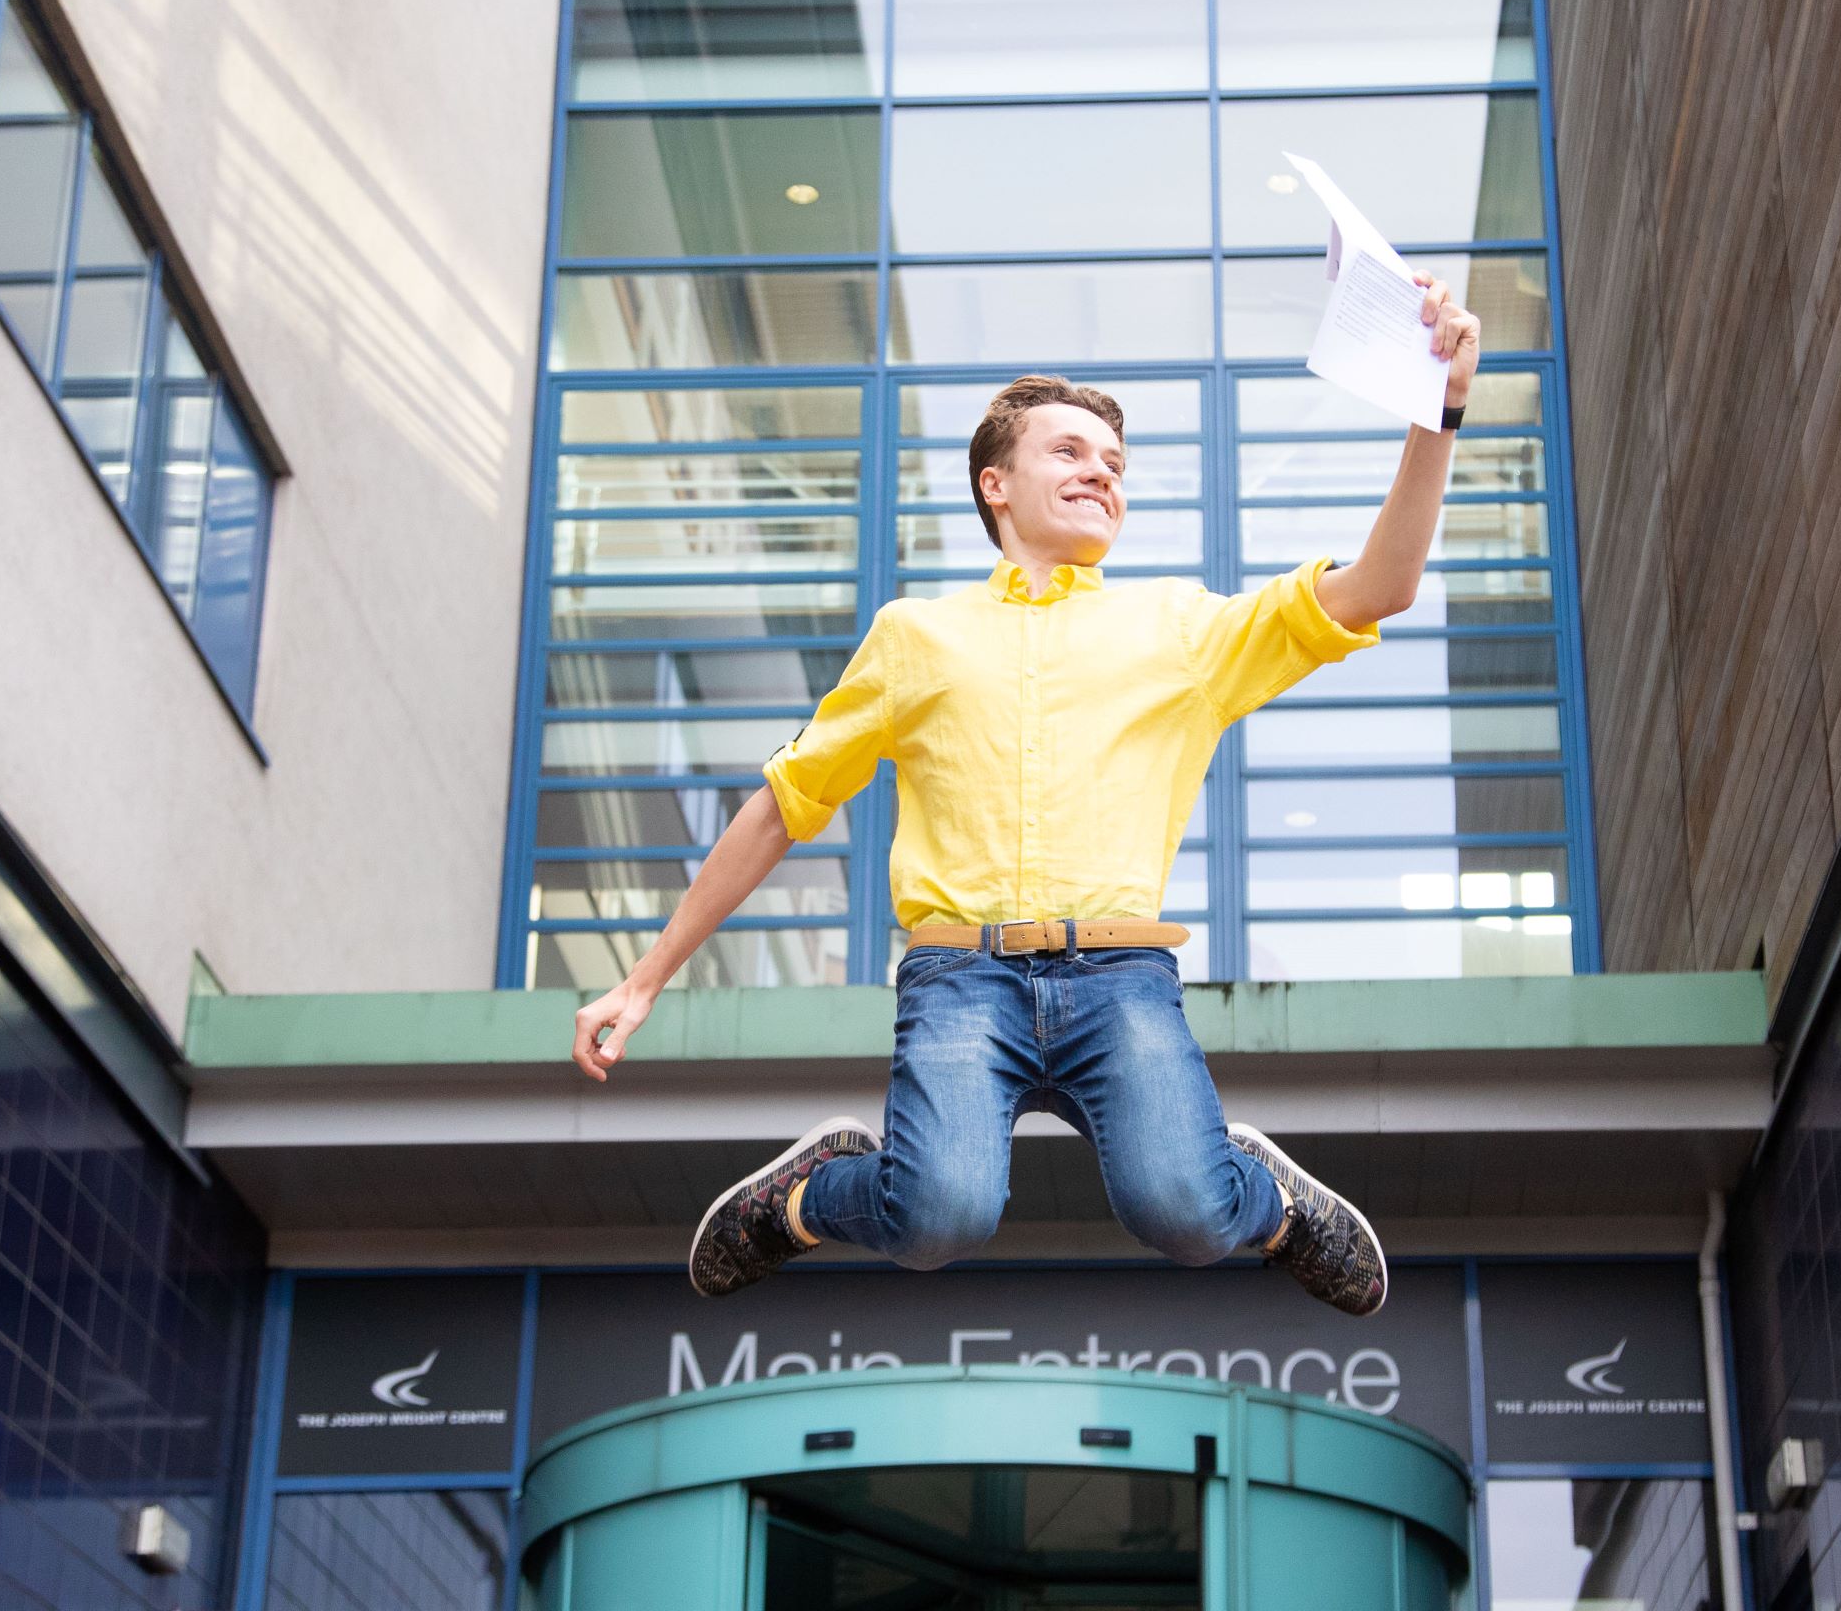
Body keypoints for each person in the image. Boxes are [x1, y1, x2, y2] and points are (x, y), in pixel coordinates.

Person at [572, 272, 1485, 1317]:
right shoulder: (917, 636)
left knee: (1188, 1212)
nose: (1101, 473)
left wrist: (1437, 412)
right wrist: (645, 979)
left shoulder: (1182, 632)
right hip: (960, 981)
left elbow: (1382, 586)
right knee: (938, 1217)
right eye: (1069, 452)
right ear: (994, 485)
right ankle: (808, 1199)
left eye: (1115, 464)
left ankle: (1266, 1200)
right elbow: (785, 802)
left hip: (1121, 980)